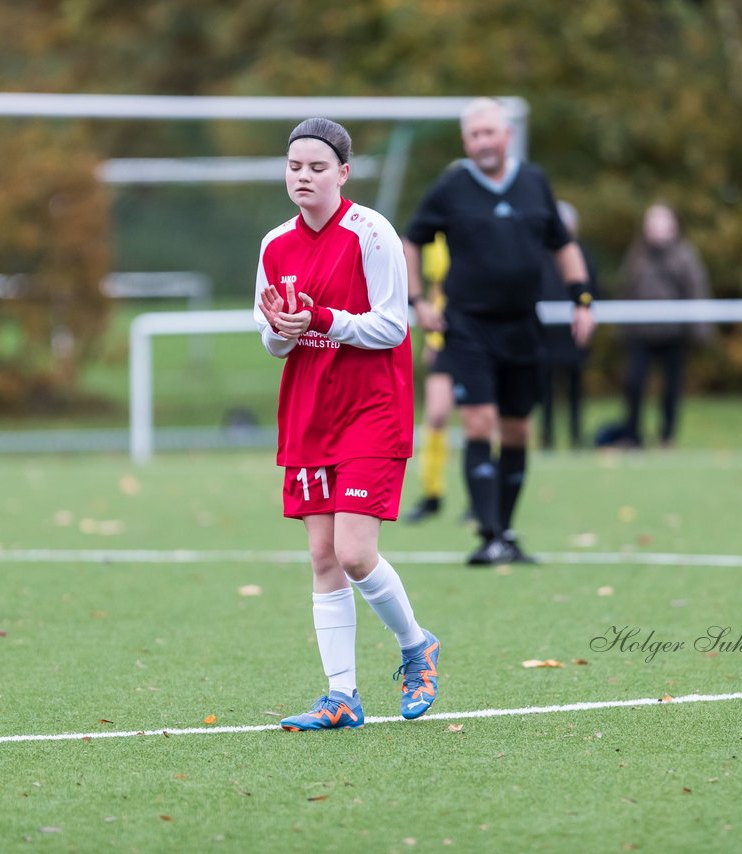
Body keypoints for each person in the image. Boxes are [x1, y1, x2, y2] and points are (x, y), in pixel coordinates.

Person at [253, 118, 440, 731]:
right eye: (294, 167)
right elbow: (274, 341)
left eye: (316, 167)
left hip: (372, 410)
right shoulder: (274, 244)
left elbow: (393, 325)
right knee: (321, 556)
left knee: (355, 554)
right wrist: (284, 332)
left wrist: (322, 320)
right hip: (310, 413)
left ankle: (417, 647)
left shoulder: (371, 233)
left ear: (342, 174)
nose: (302, 176)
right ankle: (341, 697)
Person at [403, 98, 595, 565]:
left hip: (522, 326)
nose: (484, 142)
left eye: (491, 132)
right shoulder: (451, 187)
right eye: (475, 135)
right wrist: (416, 302)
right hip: (468, 326)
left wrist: (582, 300)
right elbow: (411, 240)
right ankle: (487, 535)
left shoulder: (533, 182)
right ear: (466, 142)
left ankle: (505, 532)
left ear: (507, 136)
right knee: (478, 422)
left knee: (516, 430)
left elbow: (562, 243)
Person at [615, 203, 712, 448]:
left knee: (671, 388)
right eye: (652, 225)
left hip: (673, 334)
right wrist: (623, 328)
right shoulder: (636, 256)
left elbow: (696, 291)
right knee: (634, 383)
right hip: (641, 333)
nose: (656, 231)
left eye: (661, 225)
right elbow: (625, 291)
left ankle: (667, 436)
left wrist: (699, 330)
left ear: (672, 228)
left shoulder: (684, 255)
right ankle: (632, 435)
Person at [402, 235, 454, 524]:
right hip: (445, 334)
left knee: (485, 417)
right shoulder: (437, 237)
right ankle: (432, 494)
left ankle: (485, 494)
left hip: (482, 334)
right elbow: (437, 289)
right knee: (435, 415)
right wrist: (433, 340)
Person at [539, 201, 599, 450]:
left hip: (573, 333)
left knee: (575, 386)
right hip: (545, 335)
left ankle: (576, 436)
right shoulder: (540, 255)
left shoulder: (583, 256)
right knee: (545, 389)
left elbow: (591, 290)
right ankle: (547, 438)